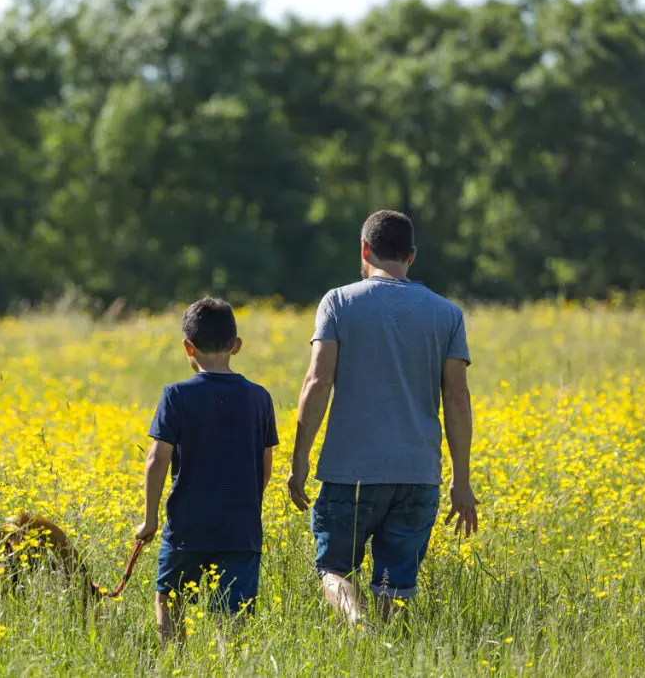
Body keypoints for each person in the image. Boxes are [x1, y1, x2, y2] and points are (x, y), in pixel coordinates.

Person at [286, 210, 479, 625]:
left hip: (348, 473)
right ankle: (385, 650)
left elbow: (317, 381)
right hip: (417, 474)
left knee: (335, 569)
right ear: (411, 256)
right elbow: (458, 399)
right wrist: (460, 479)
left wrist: (300, 457)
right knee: (395, 585)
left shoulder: (337, 302)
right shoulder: (448, 314)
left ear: (364, 249)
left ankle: (356, 624)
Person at [134, 297, 279, 644]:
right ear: (236, 346)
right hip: (240, 529)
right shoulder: (260, 398)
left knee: (170, 599)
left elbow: (157, 459)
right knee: (233, 616)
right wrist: (246, 506)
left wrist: (150, 518)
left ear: (188, 347)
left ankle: (175, 663)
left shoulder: (176, 396)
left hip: (187, 526)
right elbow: (265, 467)